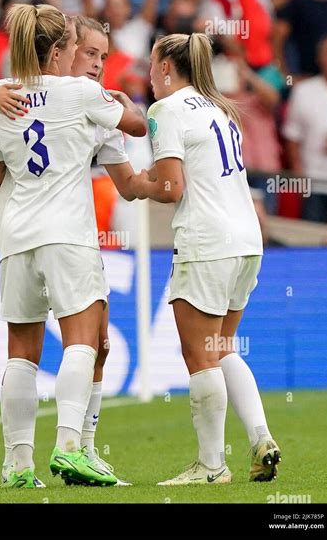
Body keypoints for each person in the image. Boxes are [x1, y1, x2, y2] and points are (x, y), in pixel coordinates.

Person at [0, 3, 146, 489]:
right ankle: (72, 447)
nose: (82, 56)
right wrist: (120, 103)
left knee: (21, 352)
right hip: (66, 232)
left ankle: (17, 465)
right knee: (85, 339)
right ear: (58, 51)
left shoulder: (3, 97)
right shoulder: (80, 91)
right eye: (75, 47)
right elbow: (134, 127)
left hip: (14, 235)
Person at [130, 33, 281, 485]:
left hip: (207, 241)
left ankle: (212, 465)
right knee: (221, 347)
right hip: (246, 240)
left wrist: (137, 186)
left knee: (200, 355)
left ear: (167, 69)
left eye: (152, 65)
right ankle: (260, 438)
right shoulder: (219, 108)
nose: (149, 74)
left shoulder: (166, 110)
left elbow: (172, 188)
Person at [283, 34, 327, 223]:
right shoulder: (303, 91)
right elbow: (292, 136)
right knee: (314, 241)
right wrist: (299, 176)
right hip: (315, 182)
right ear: (319, 58)